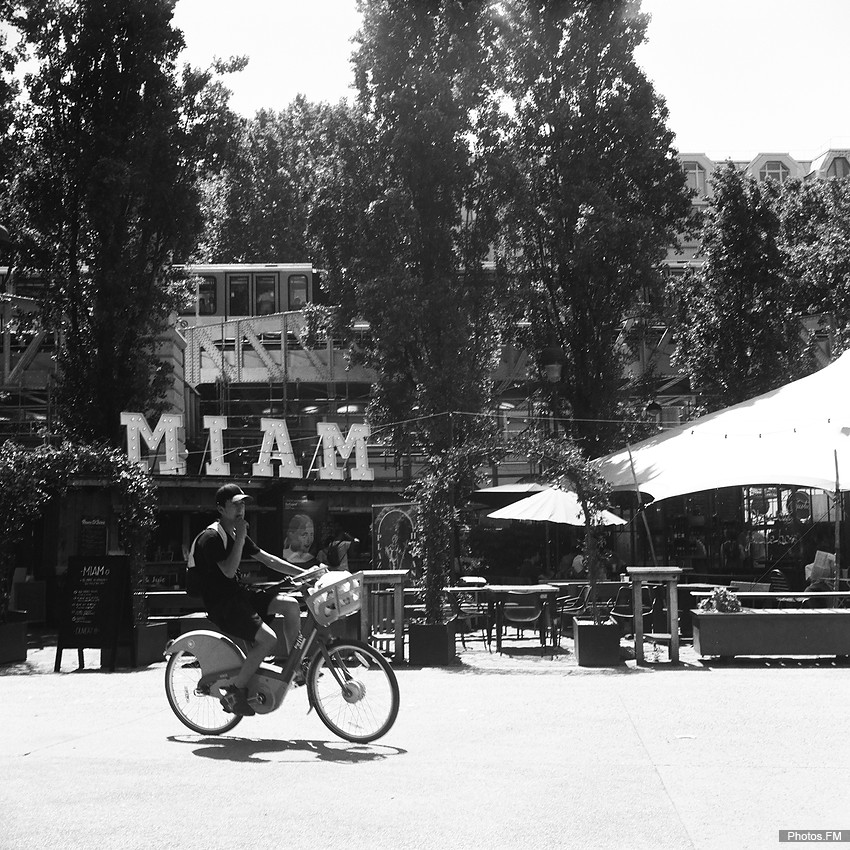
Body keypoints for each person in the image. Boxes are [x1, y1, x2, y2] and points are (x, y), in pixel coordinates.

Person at [187, 484, 322, 716]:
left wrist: (306, 574)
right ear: (221, 508)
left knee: (290, 605)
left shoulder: (234, 533)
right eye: (235, 504)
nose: (241, 508)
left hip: (239, 596)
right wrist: (240, 537)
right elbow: (229, 571)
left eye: (243, 503)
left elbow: (268, 560)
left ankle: (296, 668)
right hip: (223, 606)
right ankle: (235, 690)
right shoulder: (211, 537)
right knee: (268, 640)